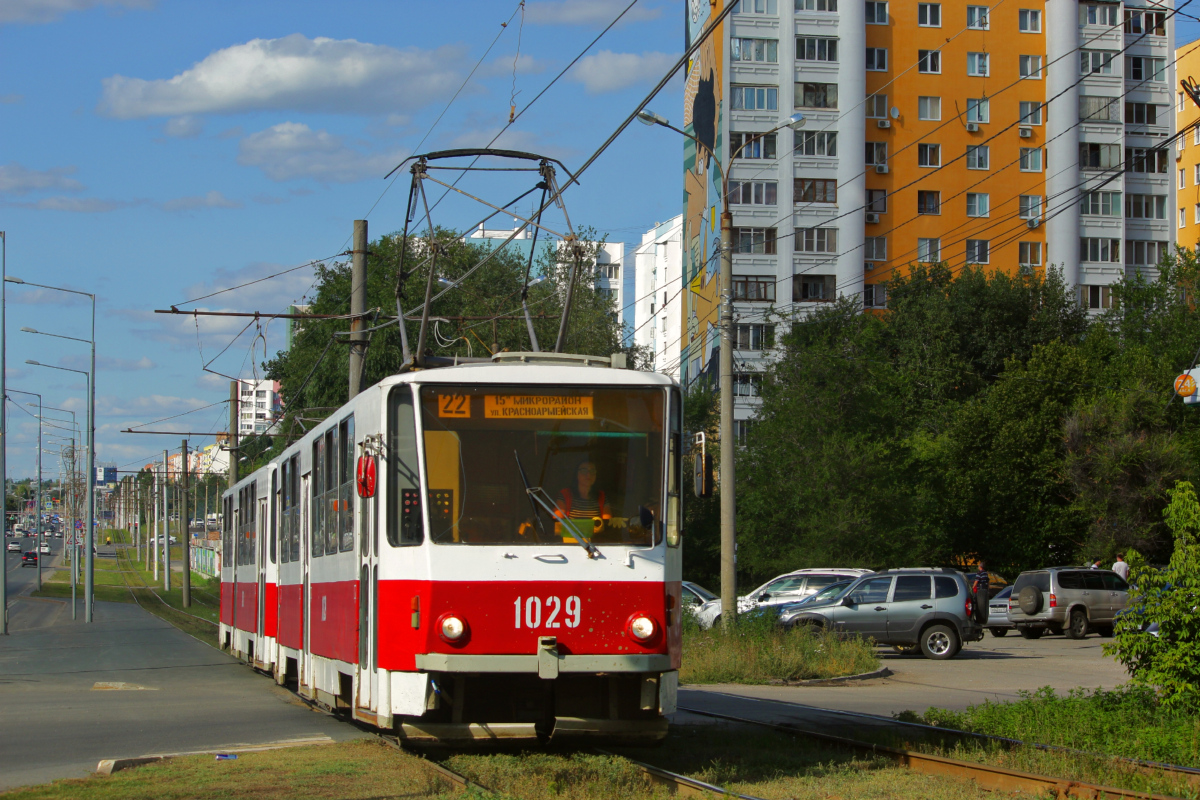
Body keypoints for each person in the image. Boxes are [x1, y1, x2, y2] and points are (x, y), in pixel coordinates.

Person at [557, 460, 612, 538]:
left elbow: (607, 525)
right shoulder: (565, 495)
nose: (588, 474)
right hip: (571, 541)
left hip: (596, 544)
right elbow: (558, 524)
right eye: (583, 471)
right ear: (576, 474)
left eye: (592, 471)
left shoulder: (601, 496)